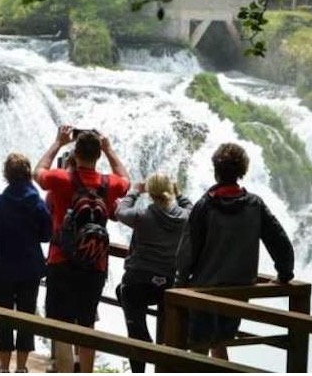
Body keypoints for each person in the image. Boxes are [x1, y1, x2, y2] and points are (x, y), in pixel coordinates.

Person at [175, 142, 295, 360]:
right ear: (243, 171)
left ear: (215, 170)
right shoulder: (254, 205)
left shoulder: (205, 206)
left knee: (198, 347)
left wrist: (180, 284)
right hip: (240, 291)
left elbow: (188, 250)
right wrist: (284, 275)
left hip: (204, 290)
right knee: (221, 341)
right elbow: (280, 242)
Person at [34, 125, 130, 373]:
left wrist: (58, 142)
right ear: (98, 156)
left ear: (75, 154)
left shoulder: (62, 179)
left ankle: (65, 371)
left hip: (61, 260)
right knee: (87, 325)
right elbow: (126, 179)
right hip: (94, 263)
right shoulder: (109, 184)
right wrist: (109, 150)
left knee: (61, 325)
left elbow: (39, 172)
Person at [114, 173, 191, 373]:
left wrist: (134, 192)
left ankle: (142, 349)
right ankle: (161, 359)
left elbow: (120, 211)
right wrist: (179, 193)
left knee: (134, 324)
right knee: (167, 330)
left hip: (137, 281)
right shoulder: (184, 217)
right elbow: (192, 208)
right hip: (167, 283)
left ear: (150, 191)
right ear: (171, 190)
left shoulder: (142, 216)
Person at [0, 153, 52, 373]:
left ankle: (3, 367)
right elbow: (46, 235)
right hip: (30, 267)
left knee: (3, 316)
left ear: (6, 176)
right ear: (27, 175)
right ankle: (22, 368)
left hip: (2, 266)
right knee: (26, 316)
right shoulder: (38, 204)